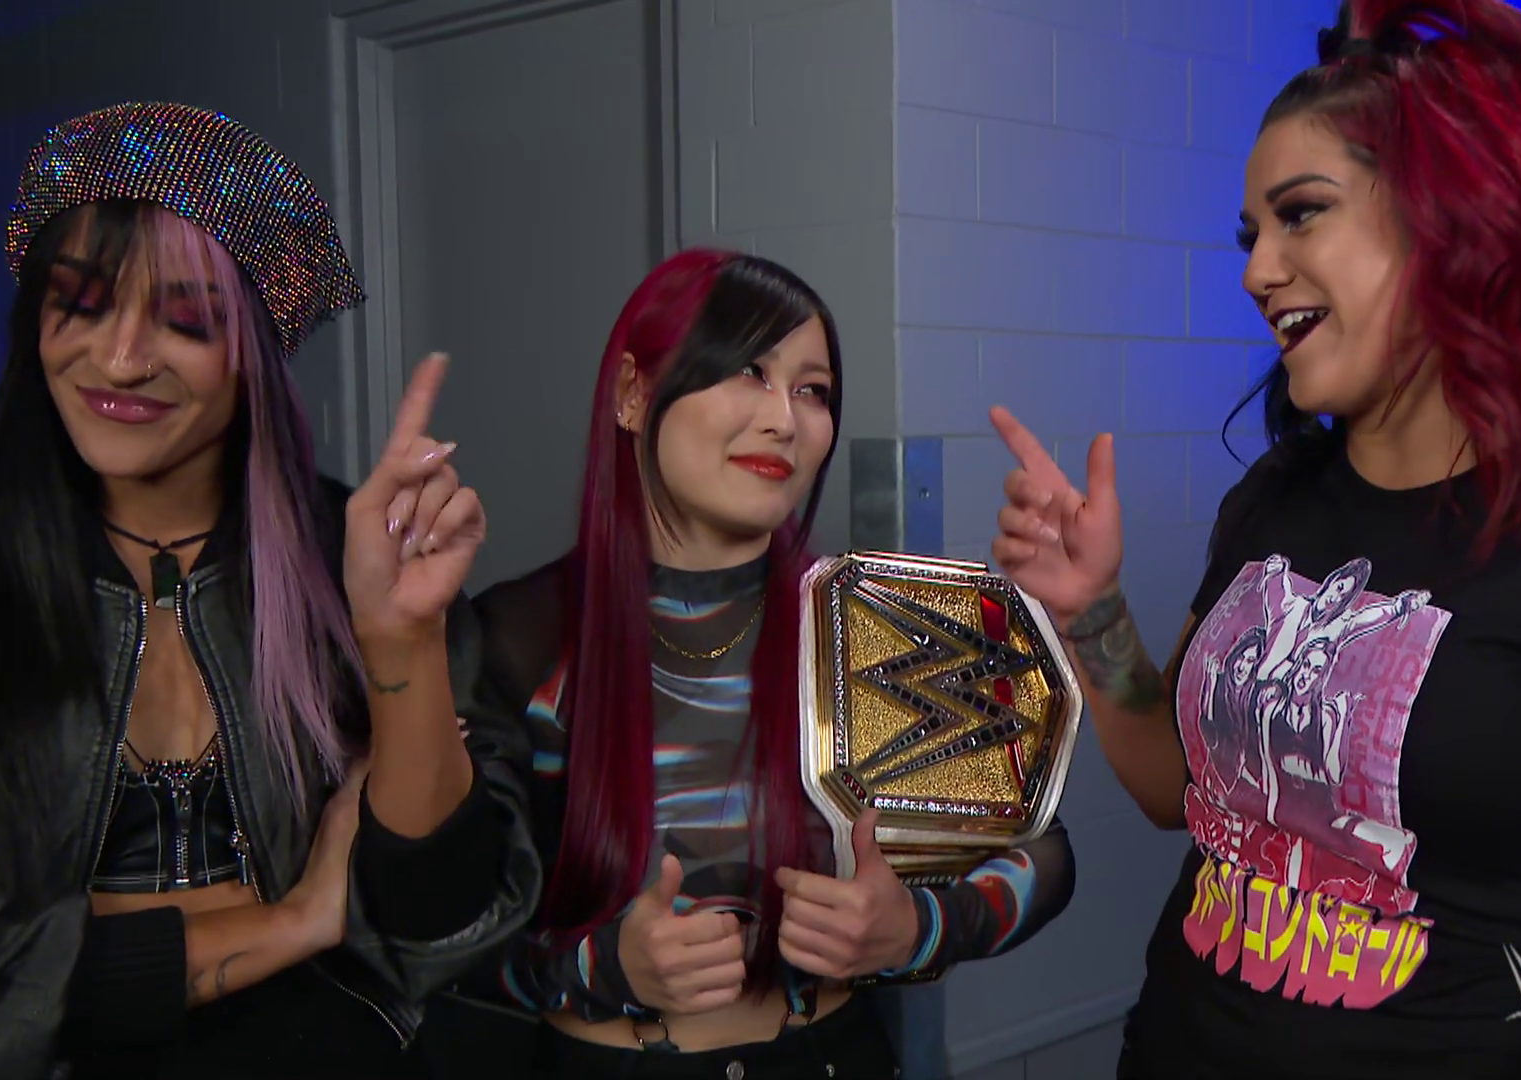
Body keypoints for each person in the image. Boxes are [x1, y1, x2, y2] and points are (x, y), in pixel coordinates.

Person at [987, 2, 1521, 1077]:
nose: (1257, 271)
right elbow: (1170, 791)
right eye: (1251, 235)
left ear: (1450, 220)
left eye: (1301, 214)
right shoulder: (1273, 502)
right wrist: (1091, 610)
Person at [0, 102, 539, 1079]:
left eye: (185, 318)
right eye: (81, 302)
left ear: (255, 350)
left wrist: (399, 639)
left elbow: (449, 916)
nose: (120, 358)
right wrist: (293, 920)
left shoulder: (364, 554)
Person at [424, 248, 1076, 1079]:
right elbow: (430, 930)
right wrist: (604, 966)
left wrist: (915, 929)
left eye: (813, 390)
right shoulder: (519, 637)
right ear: (633, 394)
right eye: (747, 372)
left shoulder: (876, 626)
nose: (784, 420)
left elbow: (1045, 854)